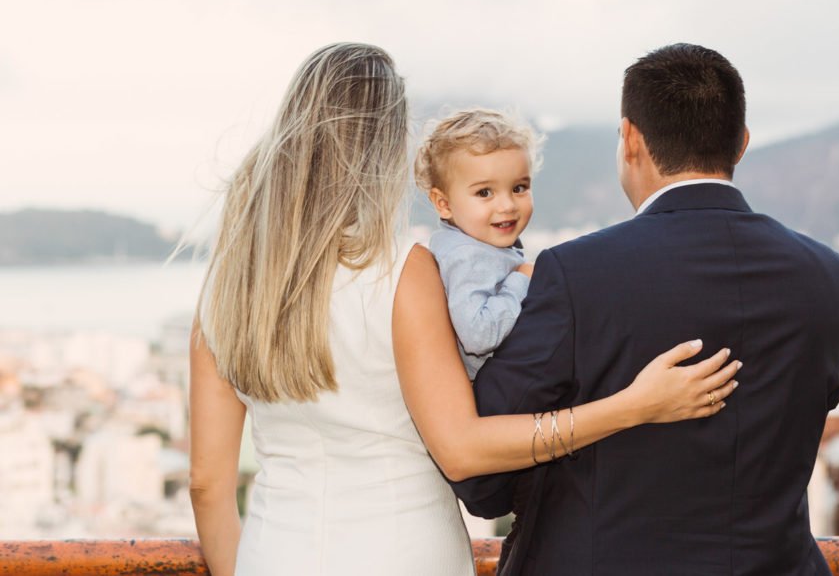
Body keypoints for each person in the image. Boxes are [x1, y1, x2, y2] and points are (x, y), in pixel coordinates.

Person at [188, 42, 743, 576]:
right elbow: (461, 450)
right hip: (404, 556)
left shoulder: (228, 284)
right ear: (387, 151)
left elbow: (208, 486)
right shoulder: (403, 270)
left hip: (271, 556)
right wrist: (632, 407)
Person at [453, 43, 839, 575]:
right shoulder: (827, 276)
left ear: (630, 140)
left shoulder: (578, 274)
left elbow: (483, 481)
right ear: (741, 142)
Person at [413, 109, 540, 379]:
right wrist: (521, 279)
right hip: (493, 389)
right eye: (484, 192)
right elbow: (478, 335)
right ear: (443, 204)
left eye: (519, 188)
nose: (507, 205)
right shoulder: (466, 256)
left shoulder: (472, 243)